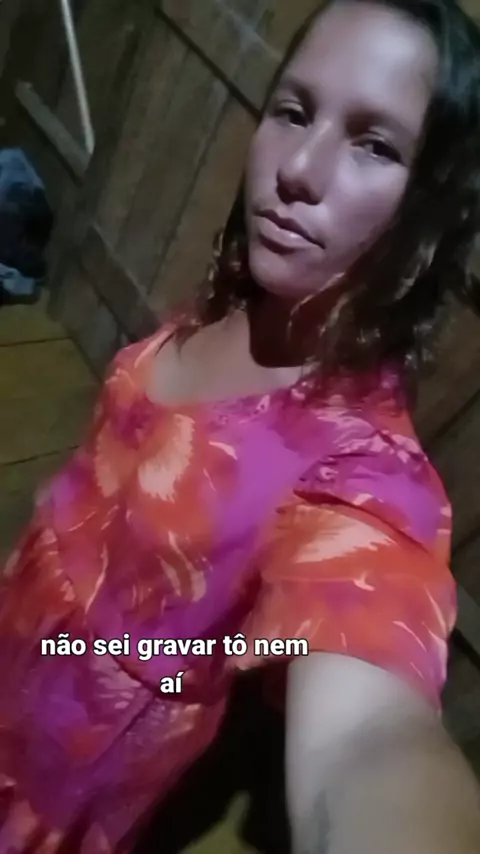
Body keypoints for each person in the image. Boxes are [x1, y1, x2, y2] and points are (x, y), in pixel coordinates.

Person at [1, 0, 480, 851]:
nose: (299, 168)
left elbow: (367, 738)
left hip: (71, 756)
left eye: (374, 145)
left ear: (432, 207)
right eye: (293, 111)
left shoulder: (359, 472)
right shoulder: (253, 299)